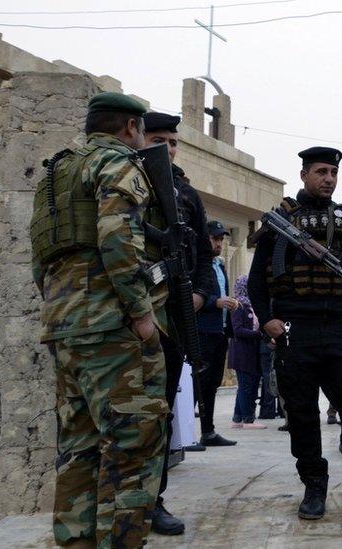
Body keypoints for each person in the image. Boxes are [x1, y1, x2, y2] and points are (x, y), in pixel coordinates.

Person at [31, 92, 168, 547]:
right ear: (131, 127)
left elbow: (40, 256)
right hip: (112, 328)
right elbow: (118, 241)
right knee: (133, 449)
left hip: (65, 326)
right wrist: (141, 313)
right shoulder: (118, 164)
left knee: (78, 450)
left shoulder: (56, 173)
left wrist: (61, 308)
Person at [247, 146, 342, 521]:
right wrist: (266, 319)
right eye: (321, 172)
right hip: (296, 330)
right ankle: (314, 485)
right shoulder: (281, 221)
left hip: (341, 329)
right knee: (302, 415)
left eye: (333, 173)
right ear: (304, 175)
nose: (328, 179)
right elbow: (258, 280)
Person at [142, 111, 216, 536]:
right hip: (131, 318)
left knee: (161, 414)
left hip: (172, 320)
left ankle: (153, 500)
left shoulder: (187, 196)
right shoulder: (126, 186)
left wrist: (200, 296)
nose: (166, 149)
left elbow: (203, 259)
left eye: (171, 142)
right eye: (157, 140)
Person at [196, 220, 238, 447]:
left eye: (221, 239)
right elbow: (193, 295)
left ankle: (208, 431)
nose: (219, 243)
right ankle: (182, 436)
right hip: (202, 331)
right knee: (198, 383)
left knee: (212, 383)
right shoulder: (197, 265)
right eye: (215, 239)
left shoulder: (219, 266)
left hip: (219, 331)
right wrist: (216, 302)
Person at [229, 275, 267, 430]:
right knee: (246, 386)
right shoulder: (238, 306)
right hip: (241, 353)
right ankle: (248, 419)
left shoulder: (249, 305)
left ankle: (237, 418)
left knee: (245, 385)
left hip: (250, 352)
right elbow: (237, 330)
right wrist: (259, 334)